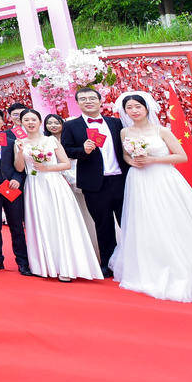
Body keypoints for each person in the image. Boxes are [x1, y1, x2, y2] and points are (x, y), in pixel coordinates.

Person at [110, 92, 192, 304]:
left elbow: (181, 156)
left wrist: (152, 160)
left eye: (138, 106)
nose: (134, 111)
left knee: (170, 218)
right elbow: (126, 154)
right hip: (138, 180)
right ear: (125, 111)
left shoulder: (161, 130)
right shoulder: (125, 132)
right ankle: (151, 263)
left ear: (146, 108)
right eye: (129, 108)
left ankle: (180, 261)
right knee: (146, 221)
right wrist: (131, 161)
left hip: (163, 178)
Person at [13, 109, 101, 282]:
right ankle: (46, 265)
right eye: (26, 120)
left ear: (40, 122)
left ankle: (67, 266)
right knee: (42, 223)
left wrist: (47, 168)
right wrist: (20, 152)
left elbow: (66, 164)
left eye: (33, 119)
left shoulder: (51, 140)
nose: (30, 123)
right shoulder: (19, 142)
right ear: (21, 123)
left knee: (60, 222)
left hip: (54, 184)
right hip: (34, 186)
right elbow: (19, 168)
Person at [60, 86, 129, 277]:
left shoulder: (116, 123)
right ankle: (108, 263)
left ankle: (134, 260)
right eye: (83, 99)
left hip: (121, 180)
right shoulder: (71, 126)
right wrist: (83, 150)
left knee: (129, 222)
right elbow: (66, 150)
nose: (88, 101)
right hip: (95, 184)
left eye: (92, 98)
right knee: (103, 225)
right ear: (78, 103)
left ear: (100, 101)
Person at [0, 107, 31, 276]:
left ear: (3, 122)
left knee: (17, 226)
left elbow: (20, 165)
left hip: (11, 188)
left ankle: (23, 262)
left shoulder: (11, 141)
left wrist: (17, 178)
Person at [44, 112, 97, 254]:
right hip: (58, 178)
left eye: (56, 122)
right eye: (49, 123)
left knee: (86, 209)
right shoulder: (44, 141)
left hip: (76, 173)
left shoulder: (72, 136)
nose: (53, 126)